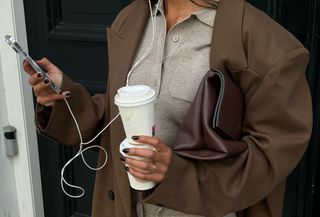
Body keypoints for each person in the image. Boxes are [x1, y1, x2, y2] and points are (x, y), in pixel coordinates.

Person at [23, 0, 313, 216]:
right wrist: (63, 95)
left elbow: (268, 159)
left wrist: (175, 173)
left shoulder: (266, 45)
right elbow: (117, 119)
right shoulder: (133, 19)